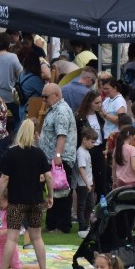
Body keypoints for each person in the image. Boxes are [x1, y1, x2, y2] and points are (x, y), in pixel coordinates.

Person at [0, 119, 52, 269]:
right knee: (37, 237)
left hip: (16, 201)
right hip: (36, 200)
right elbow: (48, 176)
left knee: (12, 238)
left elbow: (4, 178)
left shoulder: (11, 153)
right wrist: (50, 195)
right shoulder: (39, 153)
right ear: (34, 134)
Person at [40, 83, 77, 234]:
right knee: (53, 191)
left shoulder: (61, 111)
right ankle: (51, 224)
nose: (43, 100)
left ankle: (62, 225)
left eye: (46, 96)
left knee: (61, 192)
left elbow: (62, 135)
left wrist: (58, 155)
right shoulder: (54, 109)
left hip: (60, 159)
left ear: (56, 95)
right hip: (52, 158)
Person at [75, 90, 107, 198]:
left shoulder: (100, 116)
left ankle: (101, 203)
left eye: (100, 102)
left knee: (101, 179)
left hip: (99, 149)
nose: (99, 105)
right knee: (85, 180)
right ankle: (85, 205)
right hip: (86, 150)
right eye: (96, 103)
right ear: (89, 103)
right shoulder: (80, 117)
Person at [75, 128, 98, 232]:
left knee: (90, 204)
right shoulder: (81, 152)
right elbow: (81, 169)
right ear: (84, 139)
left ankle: (86, 223)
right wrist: (87, 183)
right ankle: (82, 226)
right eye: (92, 142)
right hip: (83, 184)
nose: (93, 144)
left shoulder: (86, 152)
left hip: (88, 183)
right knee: (82, 205)